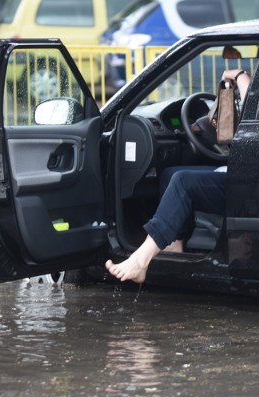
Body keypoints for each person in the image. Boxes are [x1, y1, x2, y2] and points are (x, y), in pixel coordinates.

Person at [105, 69, 251, 284]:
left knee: (182, 182)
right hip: (240, 170)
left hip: (249, 178)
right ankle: (174, 244)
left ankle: (141, 261)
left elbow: (256, 108)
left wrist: (239, 75)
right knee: (171, 174)